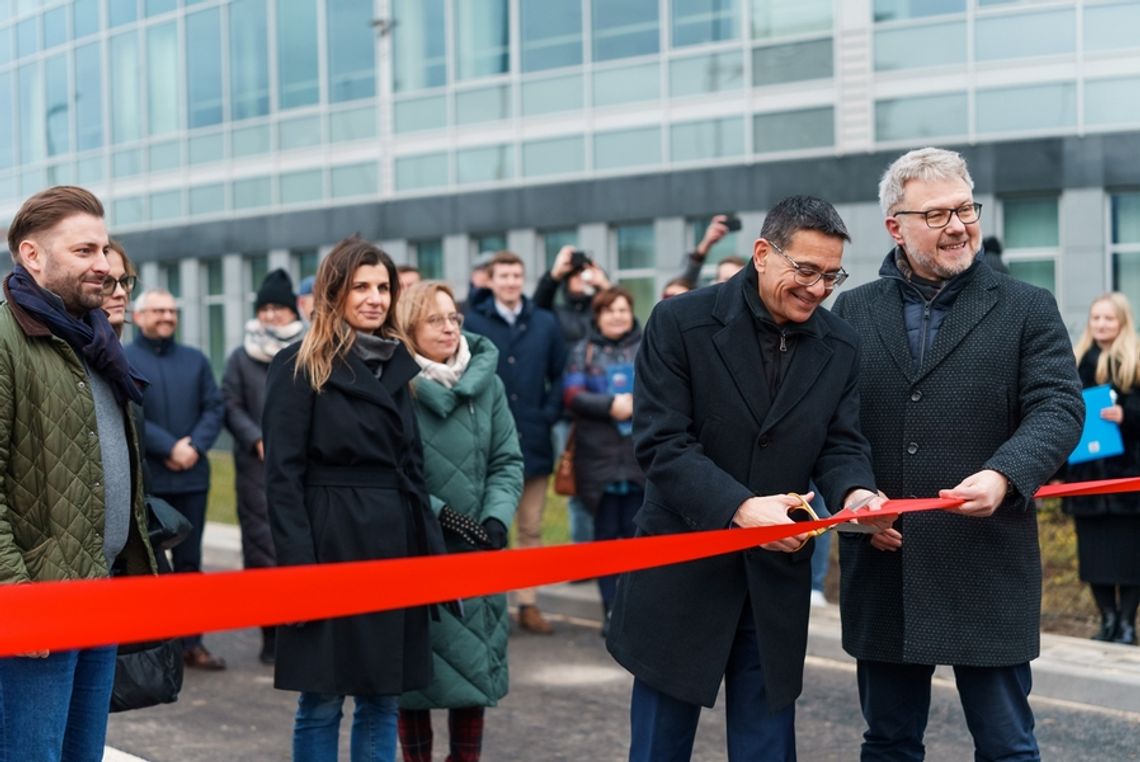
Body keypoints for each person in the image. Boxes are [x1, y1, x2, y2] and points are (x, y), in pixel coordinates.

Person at [606, 196, 885, 761]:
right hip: (682, 568)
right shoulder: (679, 322)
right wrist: (740, 508)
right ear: (763, 253)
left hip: (773, 581)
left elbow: (841, 444)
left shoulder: (841, 345)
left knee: (767, 747)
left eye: (832, 276)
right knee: (660, 745)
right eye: (805, 271)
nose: (818, 288)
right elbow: (662, 443)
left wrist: (857, 492)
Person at [832, 146, 1084, 761]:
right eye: (937, 214)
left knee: (1006, 746)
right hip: (886, 561)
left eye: (965, 208)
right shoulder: (852, 310)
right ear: (896, 225)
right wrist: (855, 497)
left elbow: (1058, 406)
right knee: (888, 741)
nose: (958, 226)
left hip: (986, 556)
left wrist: (1005, 473)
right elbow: (835, 426)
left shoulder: (1028, 307)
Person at [263, 237, 444, 762]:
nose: (374, 298)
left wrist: (428, 556)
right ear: (333, 292)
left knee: (382, 695)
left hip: (394, 546)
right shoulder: (298, 364)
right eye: (360, 286)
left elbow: (413, 469)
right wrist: (300, 568)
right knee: (321, 696)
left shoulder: (397, 365)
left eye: (383, 287)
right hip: (329, 542)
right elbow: (281, 476)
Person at [0, 186, 156, 761]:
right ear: (32, 256)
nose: (102, 264)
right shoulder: (6, 342)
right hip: (39, 602)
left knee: (81, 754)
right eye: (84, 250)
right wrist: (18, 601)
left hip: (100, 587)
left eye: (103, 248)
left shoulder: (94, 341)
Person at [395, 281, 524, 762]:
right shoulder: (394, 384)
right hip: (417, 545)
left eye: (454, 318)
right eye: (435, 319)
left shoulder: (487, 381)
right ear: (409, 326)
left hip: (478, 550)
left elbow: (507, 460)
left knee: (472, 675)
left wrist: (494, 518)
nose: (449, 327)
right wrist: (438, 514)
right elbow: (389, 470)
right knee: (417, 681)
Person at [464, 251, 566, 635]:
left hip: (533, 440)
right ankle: (491, 606)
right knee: (490, 526)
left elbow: (561, 374)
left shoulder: (544, 322)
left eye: (516, 275)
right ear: (490, 280)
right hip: (485, 444)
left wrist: (548, 414)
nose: (510, 282)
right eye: (503, 275)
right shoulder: (474, 322)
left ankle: (528, 604)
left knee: (531, 528)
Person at [125, 288, 227, 670]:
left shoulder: (196, 360)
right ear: (139, 316)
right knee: (149, 566)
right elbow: (130, 412)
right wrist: (170, 447)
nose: (166, 316)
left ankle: (191, 643)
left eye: (171, 310)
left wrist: (194, 447)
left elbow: (214, 408)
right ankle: (157, 645)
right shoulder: (124, 359)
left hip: (192, 478)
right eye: (158, 310)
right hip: (150, 480)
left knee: (190, 566)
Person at [221, 269, 305, 665]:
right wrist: (256, 437)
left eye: (280, 308)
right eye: (266, 308)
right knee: (261, 550)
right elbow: (231, 404)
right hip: (256, 466)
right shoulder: (241, 357)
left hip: (302, 465)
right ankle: (270, 636)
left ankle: (301, 631)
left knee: (300, 549)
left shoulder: (308, 350)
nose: (272, 315)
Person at [561, 286, 644, 633]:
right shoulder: (584, 350)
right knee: (606, 538)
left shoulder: (647, 345)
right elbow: (572, 395)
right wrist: (611, 405)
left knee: (639, 536)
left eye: (623, 310)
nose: (617, 316)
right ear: (598, 316)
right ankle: (610, 609)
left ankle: (637, 608)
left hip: (639, 457)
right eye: (610, 311)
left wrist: (636, 402)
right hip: (598, 459)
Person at [1063, 293, 1140, 646]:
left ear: (1122, 322)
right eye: (1096, 318)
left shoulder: (1135, 362)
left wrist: (1129, 416)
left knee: (1131, 555)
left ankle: (1127, 623)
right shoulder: (1076, 363)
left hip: (1128, 479)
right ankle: (1107, 619)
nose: (1101, 325)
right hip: (1087, 477)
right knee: (1095, 555)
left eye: (1108, 319)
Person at [534, 245, 613, 547]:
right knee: (576, 482)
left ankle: (611, 551)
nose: (582, 279)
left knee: (610, 482)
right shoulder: (555, 314)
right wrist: (555, 273)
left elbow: (623, 314)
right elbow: (537, 306)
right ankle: (584, 552)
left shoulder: (602, 309)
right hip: (569, 411)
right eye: (576, 275)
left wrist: (604, 286)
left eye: (587, 273)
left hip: (606, 406)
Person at [677, 215, 732, 287]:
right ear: (716, 281)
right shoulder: (713, 296)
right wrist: (706, 243)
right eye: (727, 279)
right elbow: (685, 283)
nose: (733, 284)